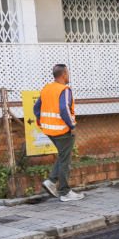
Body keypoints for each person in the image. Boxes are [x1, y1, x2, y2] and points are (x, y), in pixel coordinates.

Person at [34, 64, 84, 201]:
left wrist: (43, 122)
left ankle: (51, 182)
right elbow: (63, 109)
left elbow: (36, 108)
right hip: (63, 130)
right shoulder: (64, 89)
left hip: (49, 130)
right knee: (65, 161)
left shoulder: (46, 89)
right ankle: (65, 193)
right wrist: (71, 126)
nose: (68, 76)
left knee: (63, 156)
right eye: (67, 73)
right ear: (63, 75)